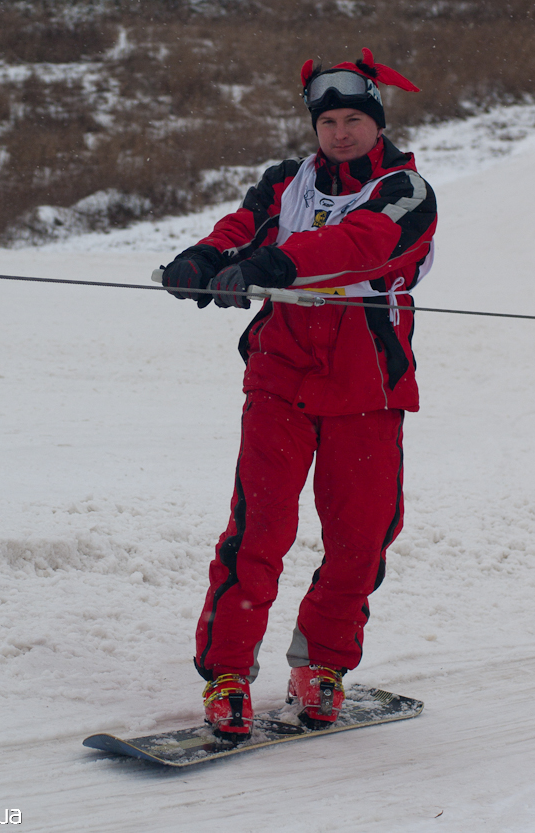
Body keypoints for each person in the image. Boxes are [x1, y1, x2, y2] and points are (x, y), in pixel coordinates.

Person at [161, 48, 437, 742]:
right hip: (282, 376)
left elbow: (362, 245)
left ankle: (321, 666)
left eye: (353, 119)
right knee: (258, 533)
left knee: (359, 539)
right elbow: (242, 232)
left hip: (366, 386)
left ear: (376, 121)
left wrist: (276, 263)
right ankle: (227, 675)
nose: (340, 133)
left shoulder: (407, 192)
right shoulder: (287, 184)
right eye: (328, 121)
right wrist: (205, 262)